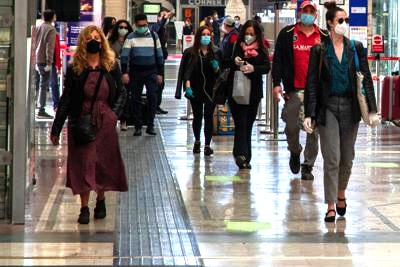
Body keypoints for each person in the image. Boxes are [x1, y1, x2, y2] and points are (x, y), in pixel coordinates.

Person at [303, 2, 377, 222]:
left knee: (347, 157)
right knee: (332, 157)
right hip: (328, 108)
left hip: (350, 107)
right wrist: (310, 113)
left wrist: (372, 109)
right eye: (340, 20)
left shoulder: (355, 48)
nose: (344, 24)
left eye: (346, 20)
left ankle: (341, 193)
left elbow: (366, 79)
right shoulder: (319, 50)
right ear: (329, 23)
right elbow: (312, 84)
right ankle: (330, 205)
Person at [50, 25, 128, 224]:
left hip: (105, 121)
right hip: (81, 120)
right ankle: (84, 207)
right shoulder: (76, 68)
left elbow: (121, 93)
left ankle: (100, 200)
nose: (95, 41)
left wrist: (114, 115)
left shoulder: (112, 66)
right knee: (83, 162)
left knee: (103, 163)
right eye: (90, 38)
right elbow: (67, 99)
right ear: (84, 42)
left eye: (98, 38)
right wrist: (56, 128)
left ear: (102, 42)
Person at [272, 1, 329, 180]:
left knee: (314, 129)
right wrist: (276, 83)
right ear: (300, 13)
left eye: (312, 11)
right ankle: (295, 151)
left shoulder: (324, 36)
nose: (309, 14)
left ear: (316, 15)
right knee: (291, 125)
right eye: (306, 11)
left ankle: (307, 165)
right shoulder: (287, 34)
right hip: (294, 89)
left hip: (316, 91)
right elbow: (279, 60)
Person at [229, 20, 271, 169]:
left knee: (248, 123)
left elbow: (266, 67)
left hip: (254, 92)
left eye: (252, 34)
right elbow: (228, 62)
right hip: (237, 90)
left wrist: (254, 68)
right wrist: (235, 61)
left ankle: (246, 156)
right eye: (247, 33)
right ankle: (240, 154)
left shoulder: (261, 49)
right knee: (240, 122)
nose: (248, 36)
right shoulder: (237, 46)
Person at [175, 26, 221, 155]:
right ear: (198, 36)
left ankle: (207, 144)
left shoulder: (216, 52)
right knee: (197, 116)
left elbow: (221, 74)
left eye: (208, 34)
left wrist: (217, 68)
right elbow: (186, 73)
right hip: (195, 88)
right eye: (203, 34)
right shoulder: (190, 52)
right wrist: (187, 87)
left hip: (211, 90)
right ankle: (197, 141)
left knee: (208, 116)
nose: (206, 37)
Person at [120, 14, 164, 136]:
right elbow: (124, 56)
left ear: (147, 23)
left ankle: (150, 125)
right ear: (135, 25)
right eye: (139, 26)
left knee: (152, 98)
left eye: (144, 25)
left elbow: (159, 56)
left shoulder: (154, 36)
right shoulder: (130, 37)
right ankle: (138, 126)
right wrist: (124, 73)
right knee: (135, 99)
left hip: (151, 71)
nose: (142, 27)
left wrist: (160, 73)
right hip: (135, 72)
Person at [108, 19, 134, 131]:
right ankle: (113, 118)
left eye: (125, 27)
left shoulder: (131, 40)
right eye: (121, 27)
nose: (123, 29)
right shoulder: (111, 41)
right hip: (114, 72)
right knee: (114, 95)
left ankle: (124, 120)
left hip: (128, 72)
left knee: (126, 96)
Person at [151, 10, 174, 115]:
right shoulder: (155, 27)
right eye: (163, 16)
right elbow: (157, 28)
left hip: (161, 59)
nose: (166, 18)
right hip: (154, 60)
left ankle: (157, 105)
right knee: (156, 84)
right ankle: (153, 106)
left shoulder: (164, 29)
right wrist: (164, 18)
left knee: (161, 84)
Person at [35, 9, 56, 119]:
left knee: (38, 84)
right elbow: (49, 47)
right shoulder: (51, 29)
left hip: (37, 59)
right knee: (43, 85)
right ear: (52, 17)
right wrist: (49, 62)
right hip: (44, 60)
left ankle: (37, 107)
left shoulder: (38, 27)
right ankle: (41, 110)